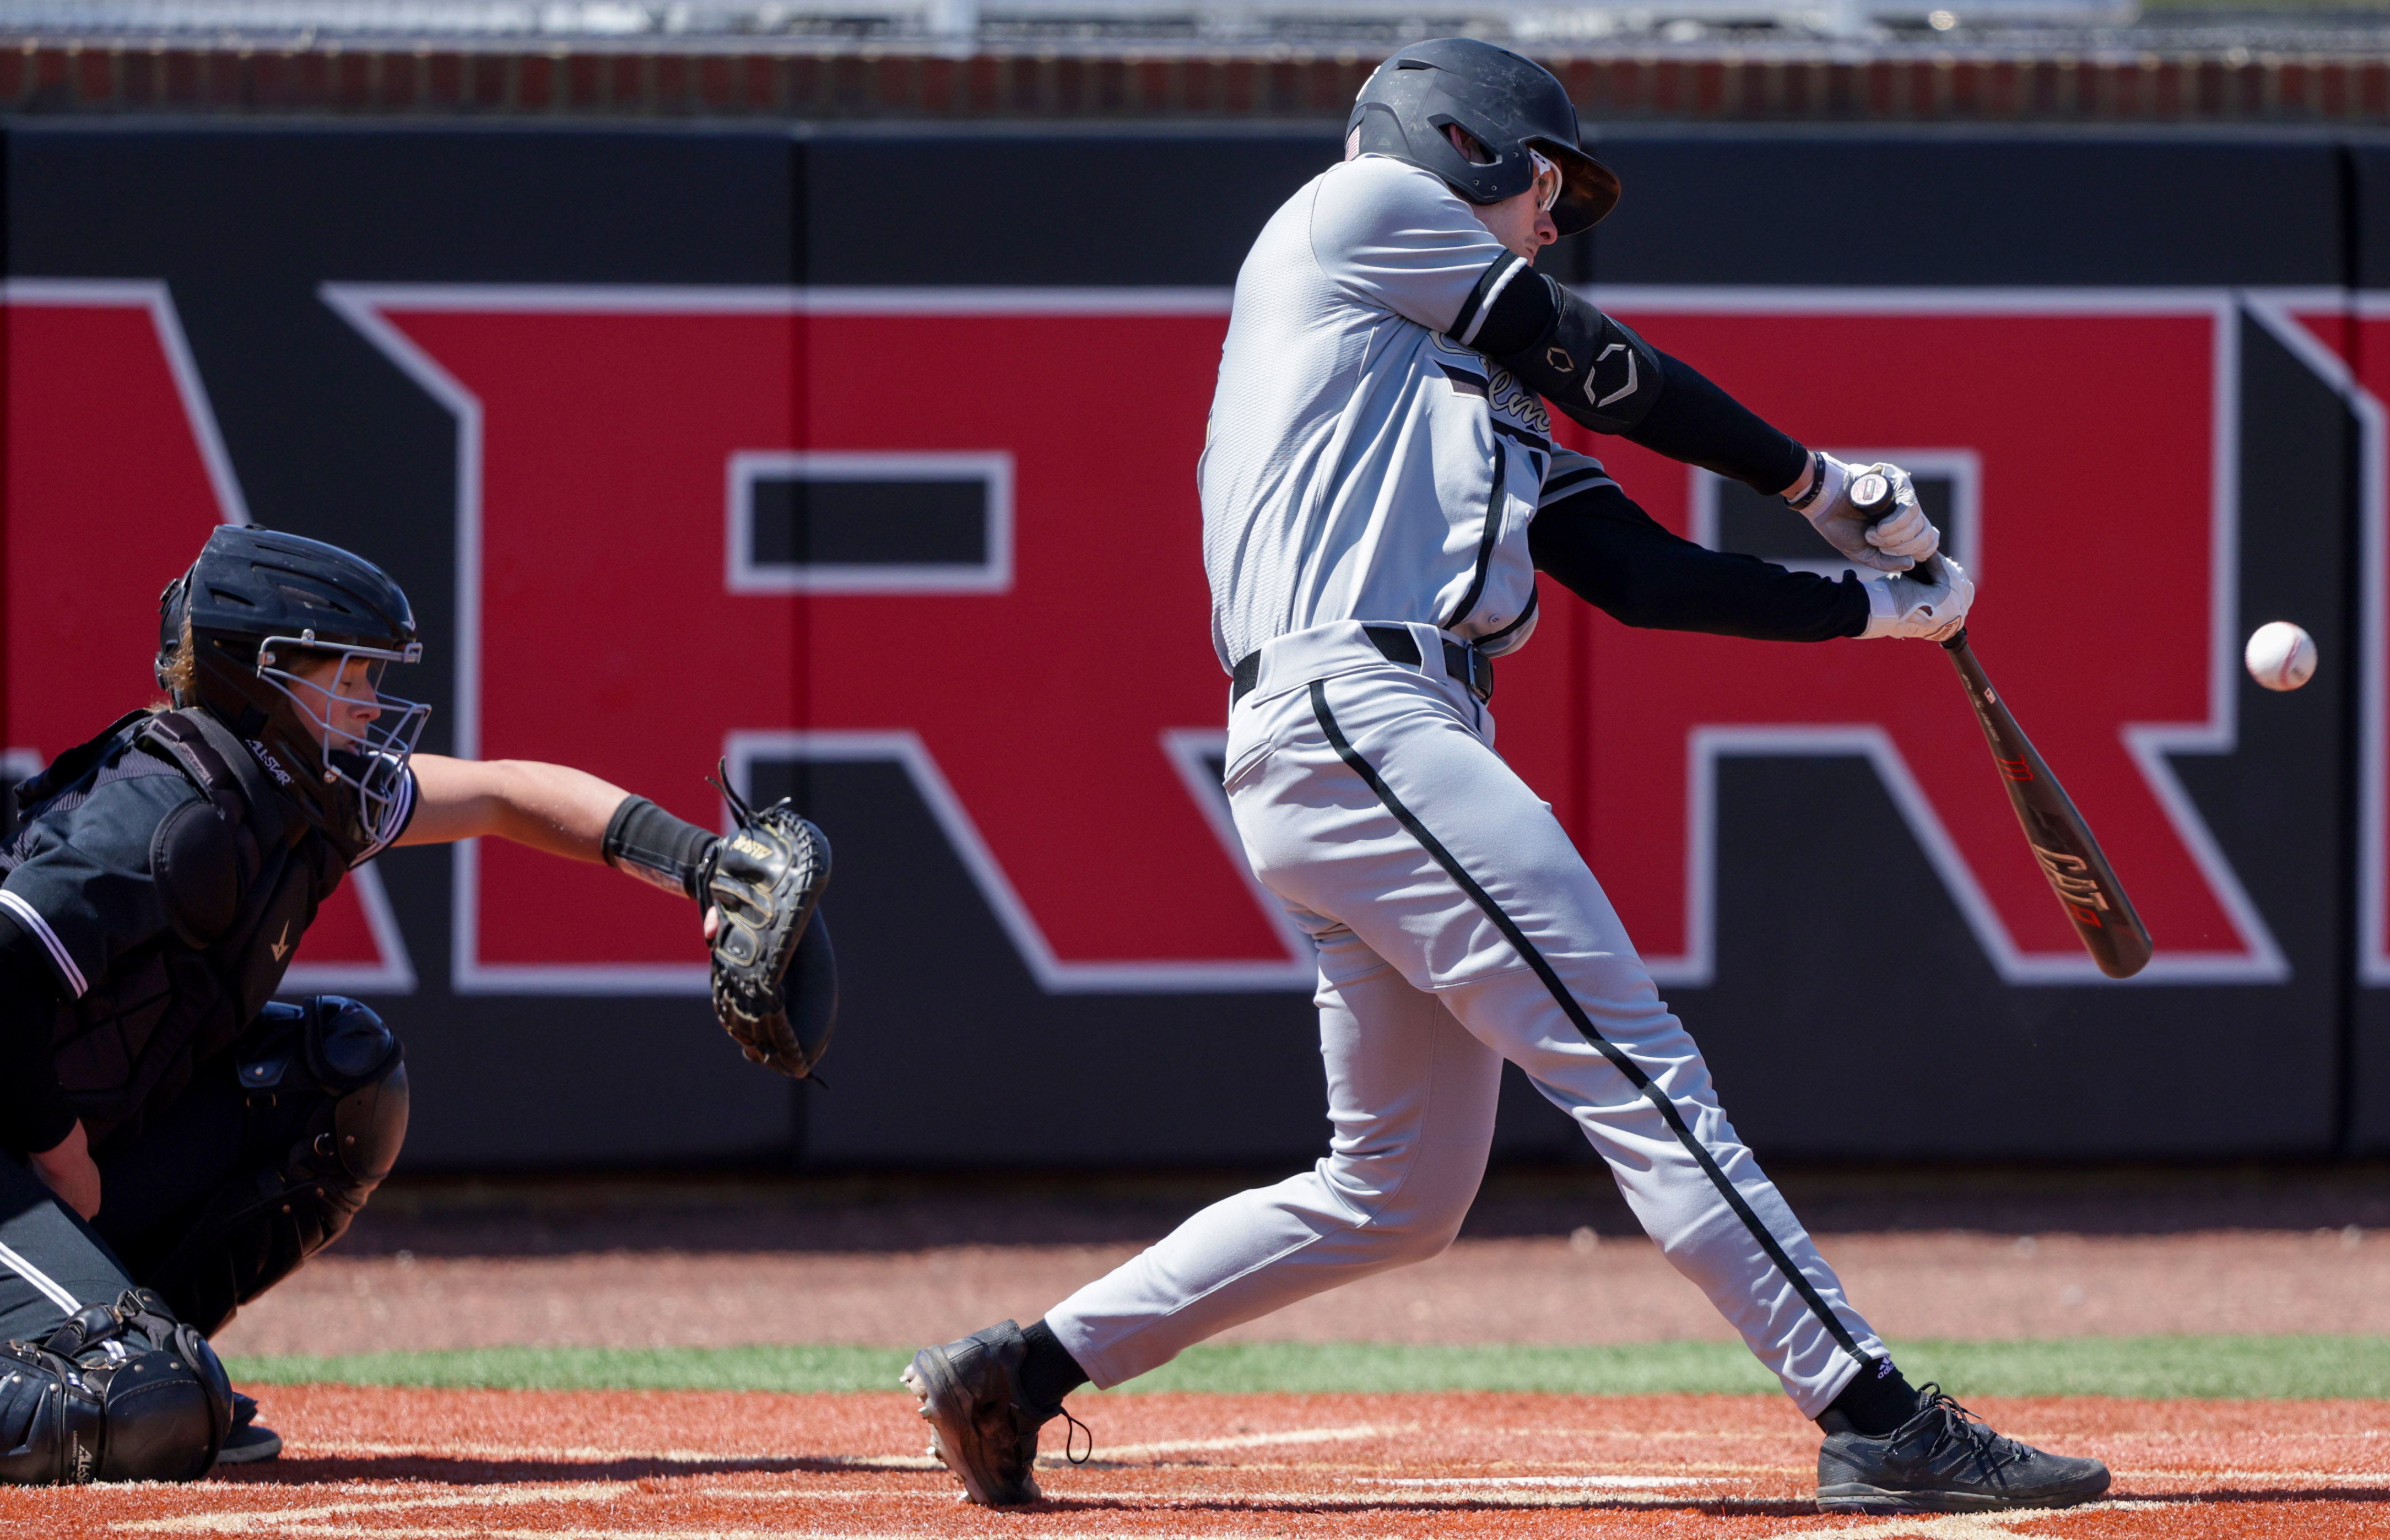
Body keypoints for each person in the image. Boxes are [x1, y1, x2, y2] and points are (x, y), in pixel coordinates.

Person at [902, 38, 2108, 1517]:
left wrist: (1878, 608)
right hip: (1361, 712)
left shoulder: (1458, 376)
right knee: (1638, 1064)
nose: (1552, 213)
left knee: (1392, 1191)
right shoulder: (1354, 213)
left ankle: (1015, 1375)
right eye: (1546, 180)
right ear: (1460, 140)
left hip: (1363, 743)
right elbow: (1616, 371)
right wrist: (1818, 481)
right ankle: (1871, 1411)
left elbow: (1640, 574)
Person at [0, 524, 834, 1482]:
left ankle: (137, 1352)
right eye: (346, 684)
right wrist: (57, 1145)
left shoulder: (298, 795)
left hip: (55, 1159)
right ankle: (126, 1378)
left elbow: (504, 796)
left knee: (339, 1080)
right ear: (261, 679)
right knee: (147, 1410)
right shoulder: (164, 814)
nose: (370, 708)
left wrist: (701, 869)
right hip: (25, 1149)